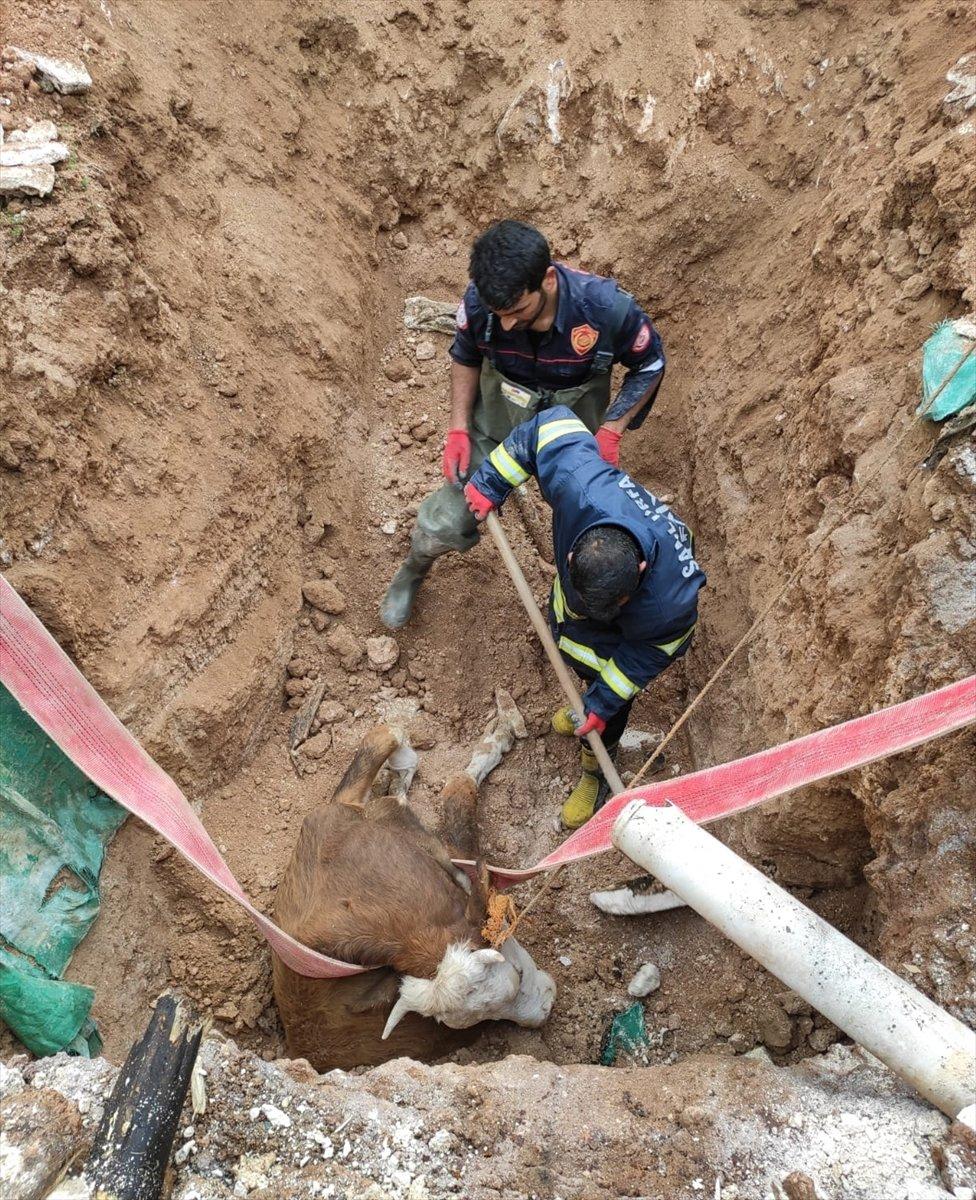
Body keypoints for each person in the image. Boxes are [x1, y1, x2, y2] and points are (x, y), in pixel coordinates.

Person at [380, 219, 666, 629]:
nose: (508, 324)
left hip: (570, 441)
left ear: (548, 279)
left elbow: (650, 363)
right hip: (498, 422)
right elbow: (465, 354)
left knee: (591, 540)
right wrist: (458, 428)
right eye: (501, 315)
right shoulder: (482, 304)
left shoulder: (606, 310)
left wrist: (611, 430)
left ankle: (586, 617)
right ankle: (414, 569)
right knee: (444, 520)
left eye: (518, 311)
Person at [462, 405, 706, 829]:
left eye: (610, 607)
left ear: (640, 575)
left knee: (607, 709)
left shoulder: (669, 604)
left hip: (623, 639)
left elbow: (646, 655)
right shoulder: (580, 484)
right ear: (573, 552)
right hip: (585, 603)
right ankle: (584, 703)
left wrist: (604, 702)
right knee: (575, 646)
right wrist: (491, 480)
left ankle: (596, 771)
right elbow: (551, 423)